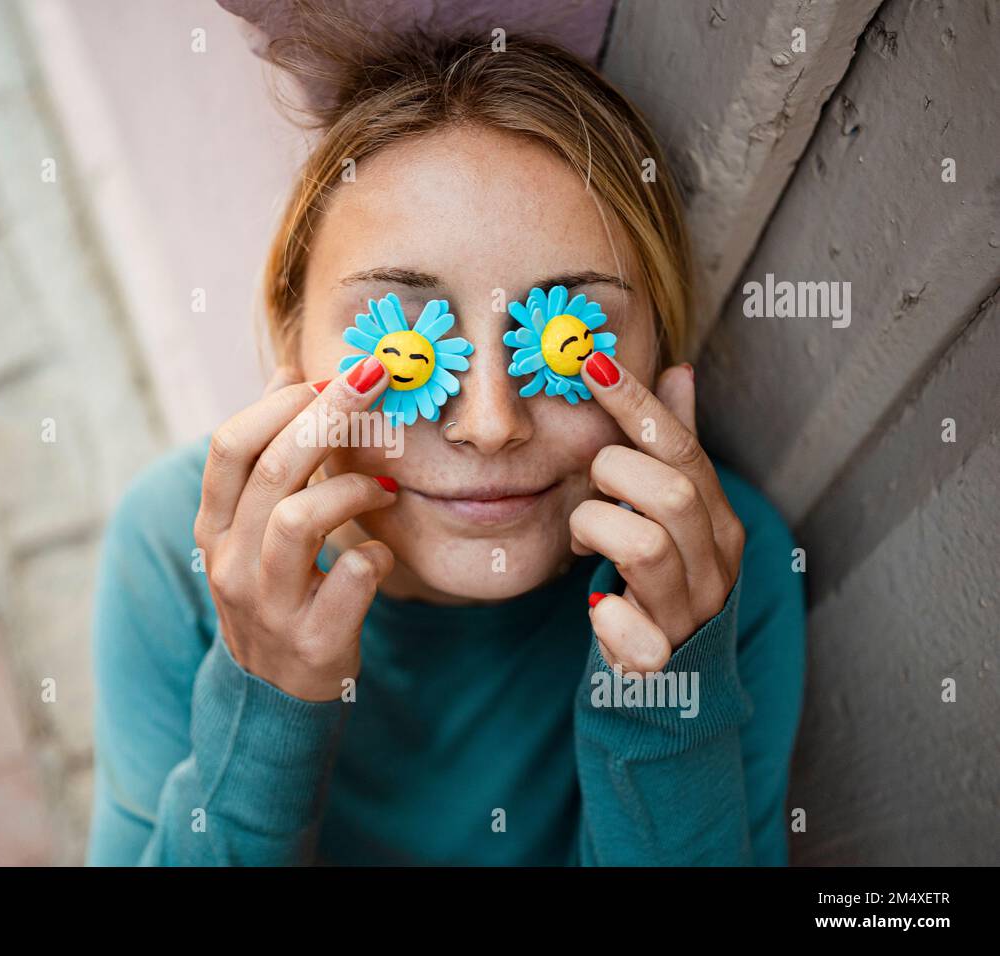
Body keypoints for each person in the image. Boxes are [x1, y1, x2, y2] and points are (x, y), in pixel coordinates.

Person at [86, 25, 805, 866]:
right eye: (406, 346)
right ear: (292, 352)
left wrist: (669, 715)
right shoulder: (174, 554)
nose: (491, 422)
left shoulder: (718, 579)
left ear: (657, 359)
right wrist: (265, 707)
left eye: (565, 339)